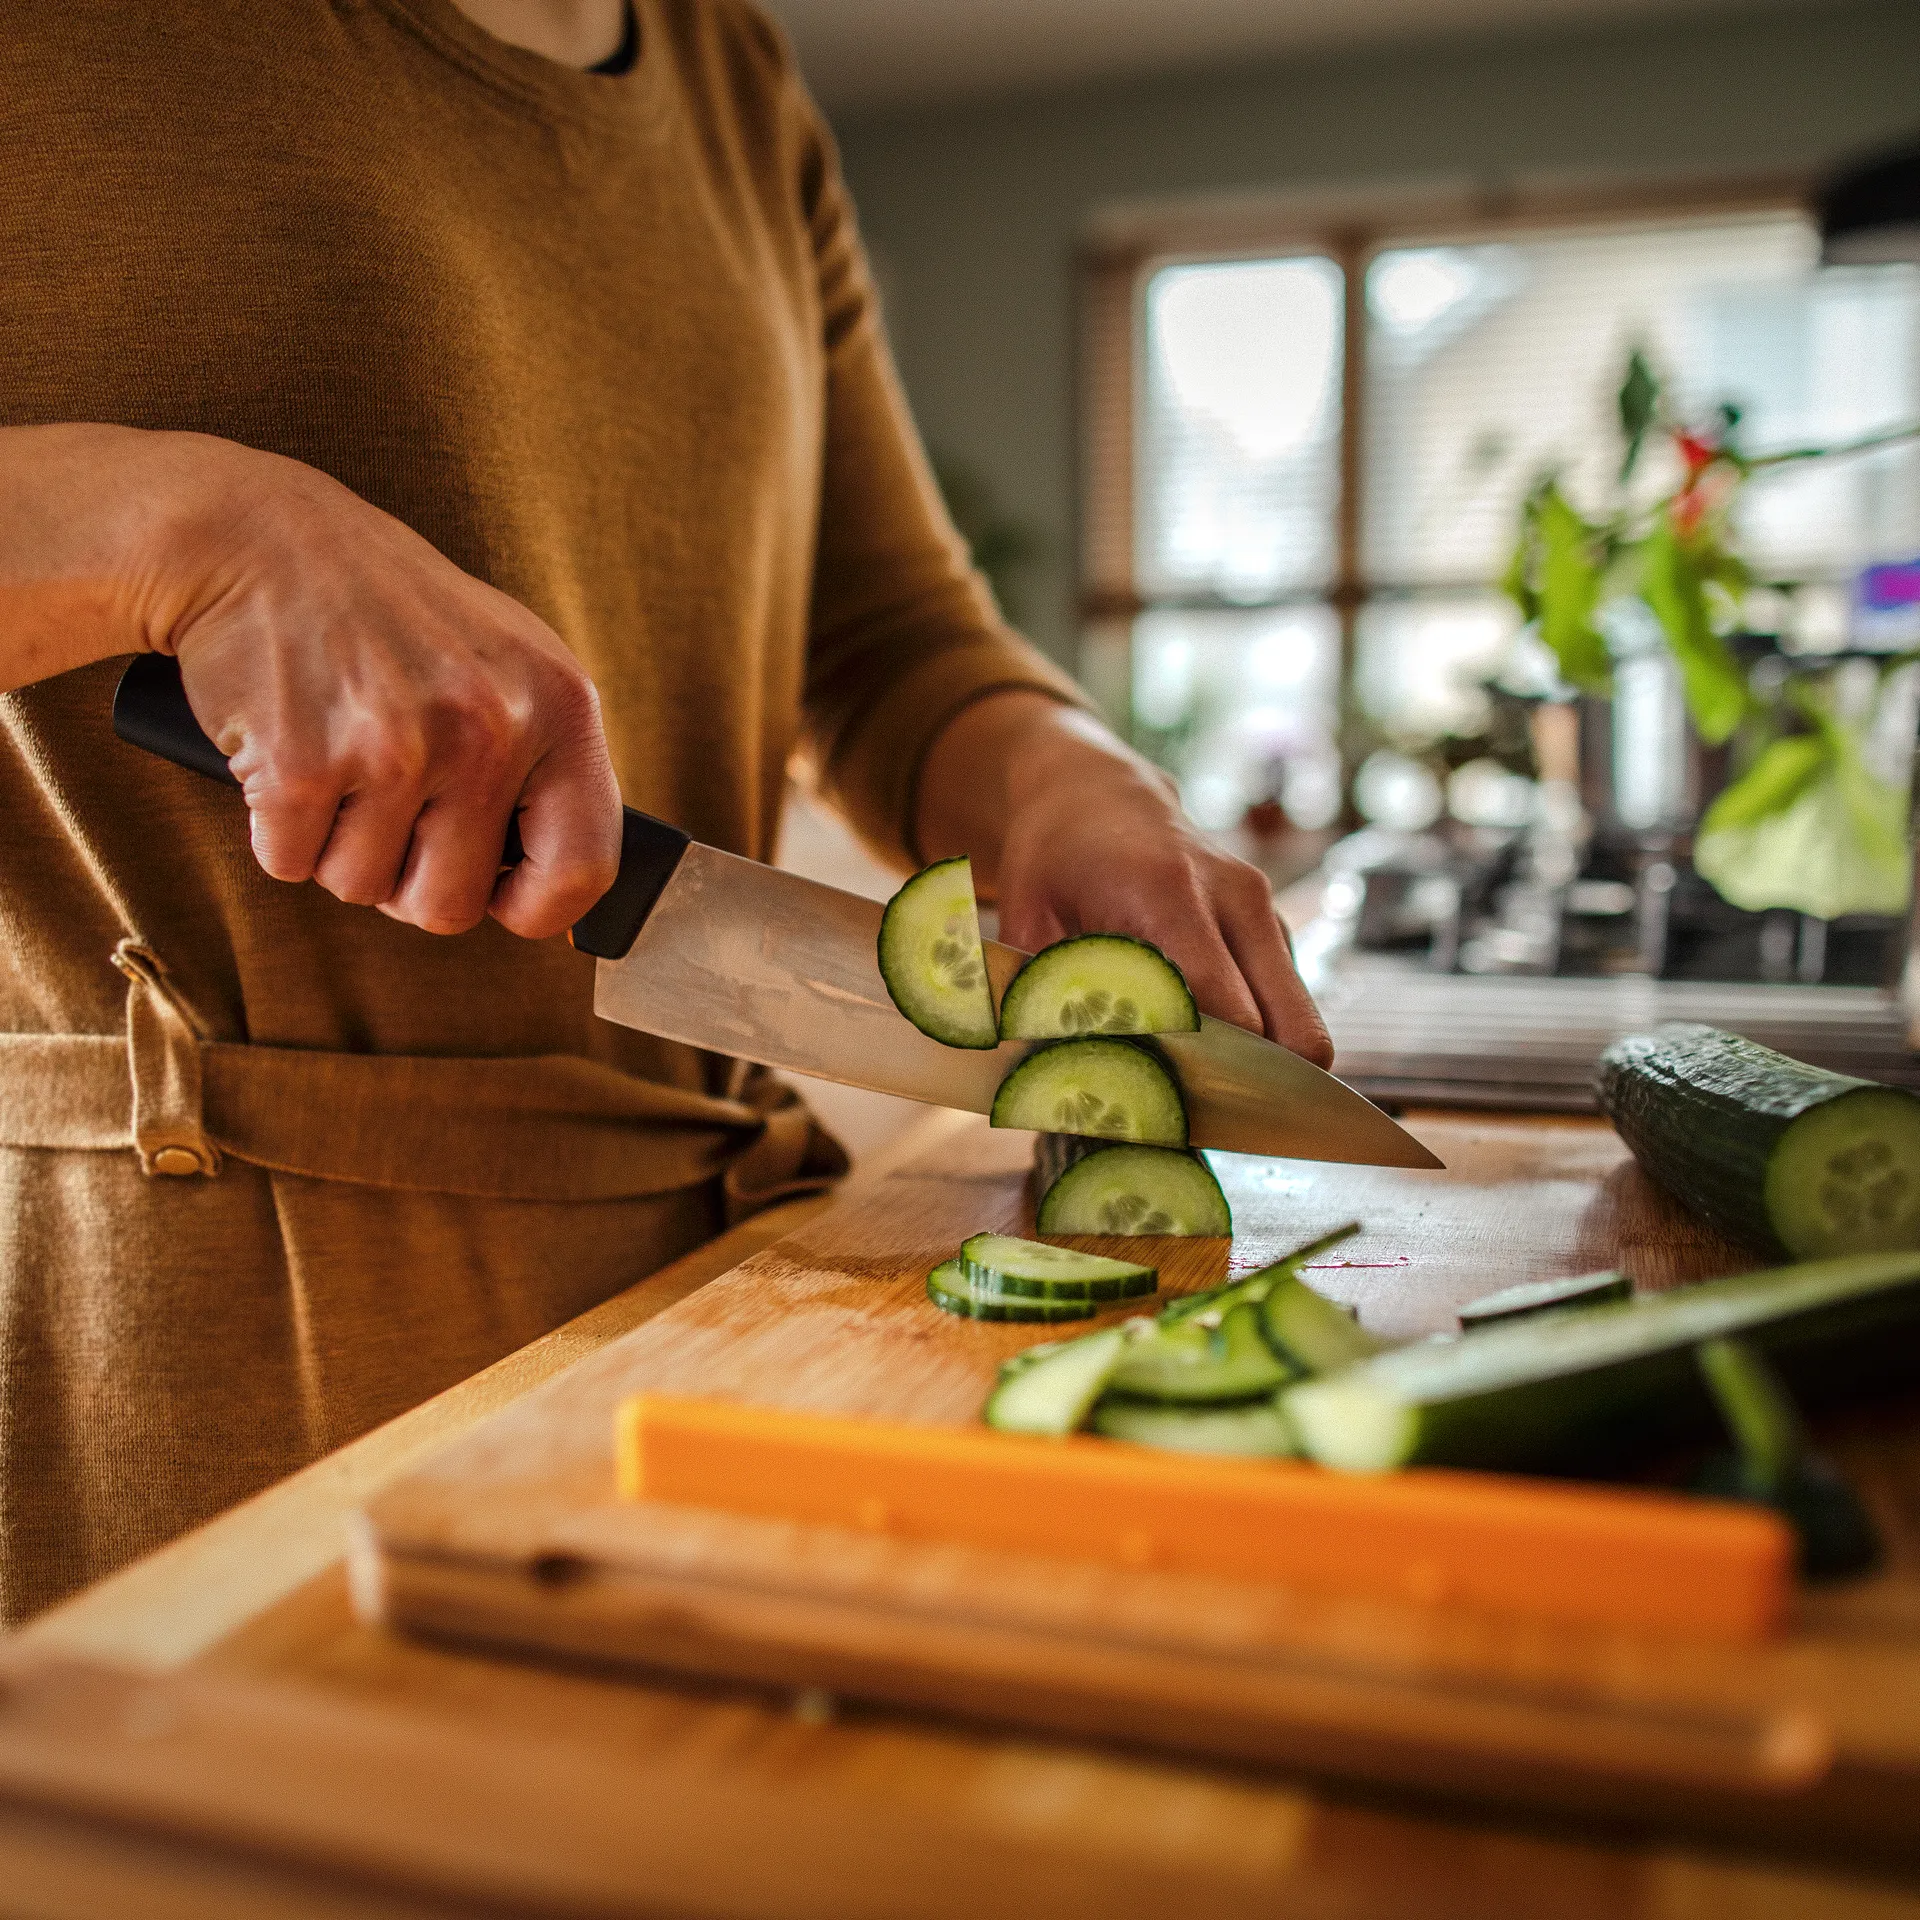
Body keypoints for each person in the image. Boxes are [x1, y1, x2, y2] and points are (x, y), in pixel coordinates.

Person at [0, 0, 1329, 1625]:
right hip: (192, 1353)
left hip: (713, 1300)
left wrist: (1069, 776)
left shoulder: (728, 71)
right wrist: (182, 535)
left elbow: (889, 635)